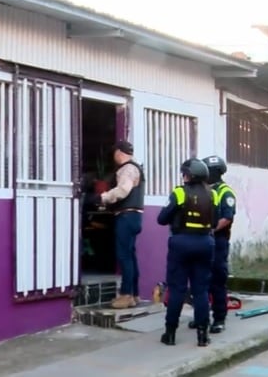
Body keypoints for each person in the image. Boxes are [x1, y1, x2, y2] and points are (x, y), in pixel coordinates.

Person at [157, 158, 218, 347]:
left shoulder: (179, 193)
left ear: (188, 175)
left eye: (184, 173)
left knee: (177, 290)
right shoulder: (213, 194)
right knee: (200, 291)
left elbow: (162, 219)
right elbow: (214, 223)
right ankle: (202, 335)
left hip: (181, 243)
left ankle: (170, 333)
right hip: (205, 243)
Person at [187, 155, 236, 334]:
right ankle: (201, 317)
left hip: (218, 242)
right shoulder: (203, 190)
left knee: (217, 281)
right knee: (200, 281)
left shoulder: (225, 191)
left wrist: (211, 229)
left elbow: (227, 217)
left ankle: (219, 318)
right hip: (202, 242)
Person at [94, 140, 145, 309]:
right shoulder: (136, 167)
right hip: (135, 217)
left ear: (118, 152)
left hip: (126, 216)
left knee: (124, 256)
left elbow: (123, 190)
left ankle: (125, 295)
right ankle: (134, 294)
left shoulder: (127, 169)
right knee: (130, 256)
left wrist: (102, 197)